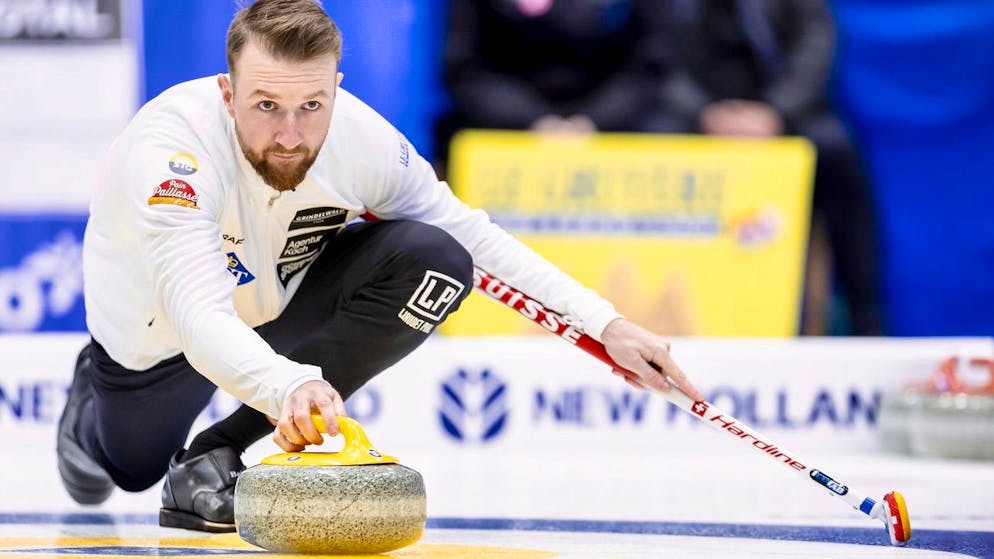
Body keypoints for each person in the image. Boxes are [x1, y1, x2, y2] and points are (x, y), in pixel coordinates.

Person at [56, 0, 703, 534]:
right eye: (265, 107)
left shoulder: (359, 138)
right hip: (163, 339)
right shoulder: (172, 152)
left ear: (335, 87)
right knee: (129, 466)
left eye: (311, 105)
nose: (290, 134)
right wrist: (289, 388)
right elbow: (198, 317)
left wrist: (606, 324)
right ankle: (88, 405)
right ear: (227, 94)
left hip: (274, 314)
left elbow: (473, 238)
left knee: (436, 259)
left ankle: (215, 451)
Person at [655, 0, 883, 335]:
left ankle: (866, 319)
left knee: (836, 150)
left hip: (783, 114)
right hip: (699, 116)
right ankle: (662, 315)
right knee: (651, 142)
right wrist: (705, 113)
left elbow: (815, 49)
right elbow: (657, 60)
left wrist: (775, 113)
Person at [435, 0, 666, 168]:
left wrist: (593, 121)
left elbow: (648, 66)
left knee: (665, 130)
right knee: (451, 134)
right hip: (507, 116)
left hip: (610, 115)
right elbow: (465, 67)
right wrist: (532, 120)